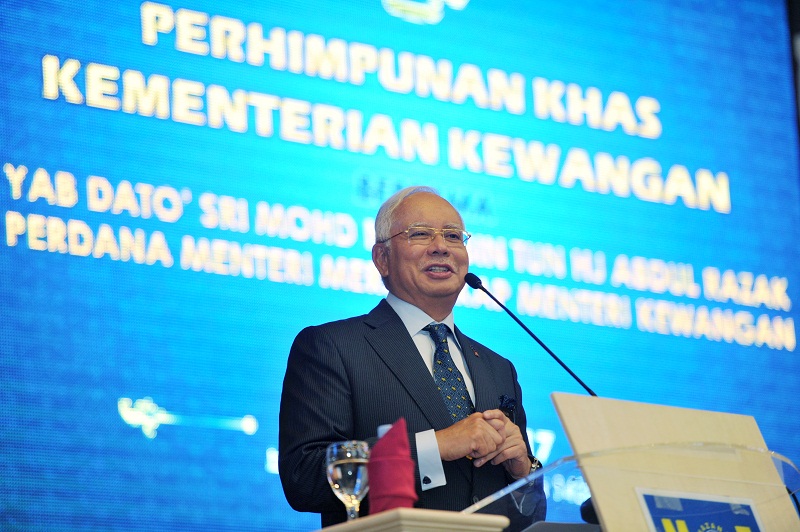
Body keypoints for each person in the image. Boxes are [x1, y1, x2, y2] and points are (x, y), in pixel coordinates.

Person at [279, 186, 546, 527]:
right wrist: (434, 447)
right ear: (382, 259)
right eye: (420, 234)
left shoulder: (498, 368)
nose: (441, 247)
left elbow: (532, 517)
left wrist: (522, 469)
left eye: (453, 236)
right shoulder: (333, 346)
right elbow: (304, 478)